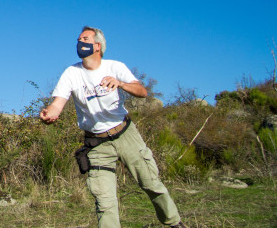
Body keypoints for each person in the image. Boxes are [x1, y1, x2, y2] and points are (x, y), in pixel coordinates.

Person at [40, 26, 186, 228]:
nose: (79, 42)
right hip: (97, 144)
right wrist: (50, 113)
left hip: (125, 135)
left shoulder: (115, 66)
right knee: (104, 200)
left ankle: (174, 223)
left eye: (85, 39)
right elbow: (58, 102)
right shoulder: (71, 73)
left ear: (97, 46)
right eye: (78, 39)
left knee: (151, 183)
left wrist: (120, 83)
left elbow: (142, 91)